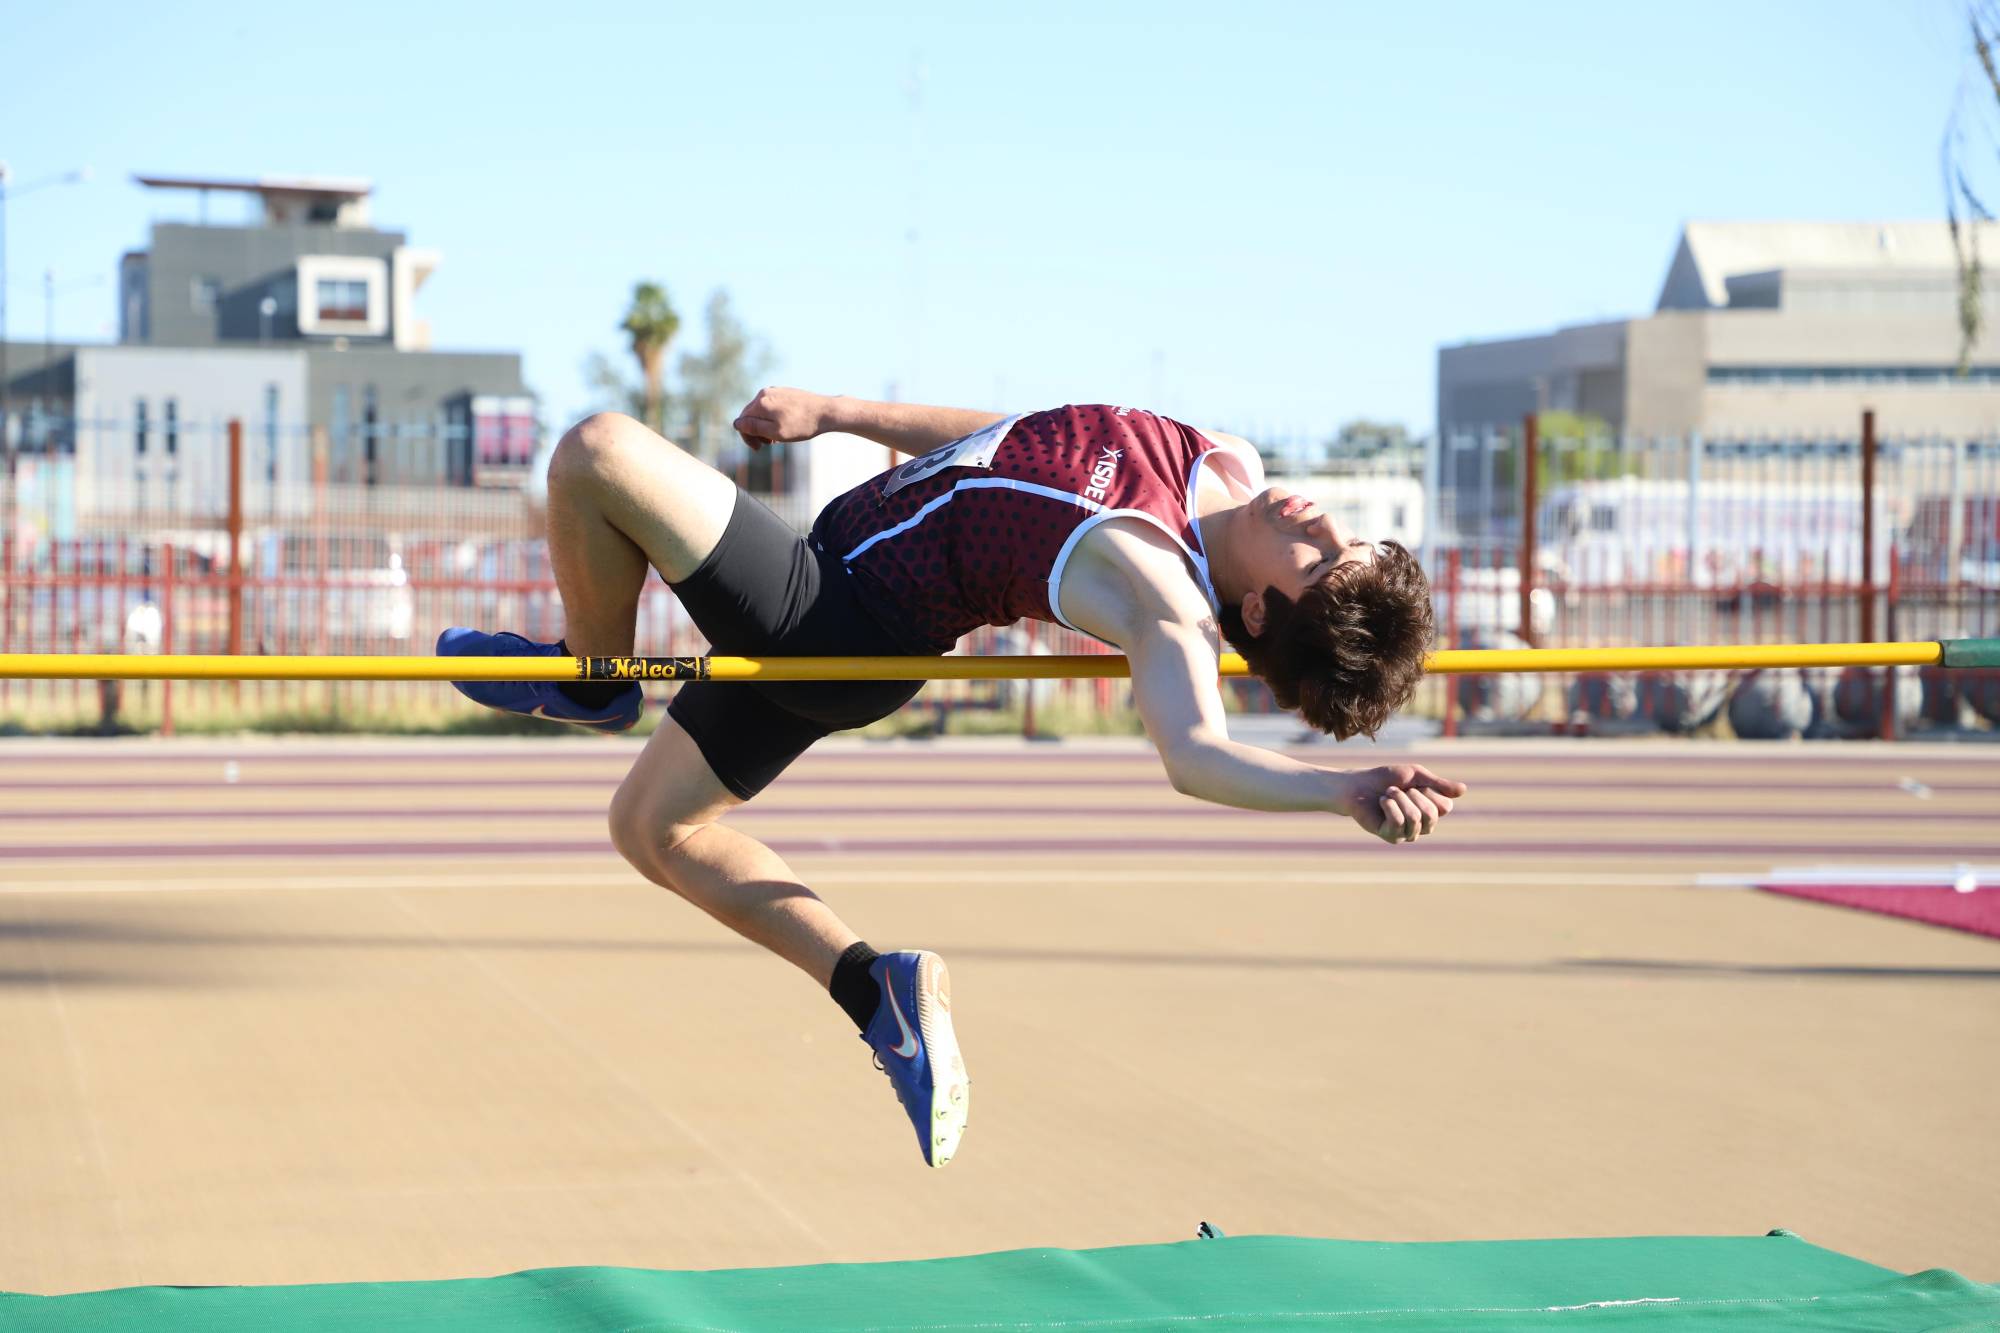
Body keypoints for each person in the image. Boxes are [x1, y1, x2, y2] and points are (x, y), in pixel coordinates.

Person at [441, 391, 1466, 1168]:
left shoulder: (1155, 587)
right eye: (1346, 537)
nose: (1319, 520)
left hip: (832, 621)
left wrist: (1342, 788)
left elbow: (1192, 753)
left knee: (597, 450)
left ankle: (594, 680)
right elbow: (1013, 435)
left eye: (1320, 555)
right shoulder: (1225, 463)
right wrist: (836, 413)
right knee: (651, 827)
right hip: (828, 585)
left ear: (1257, 615)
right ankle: (872, 984)